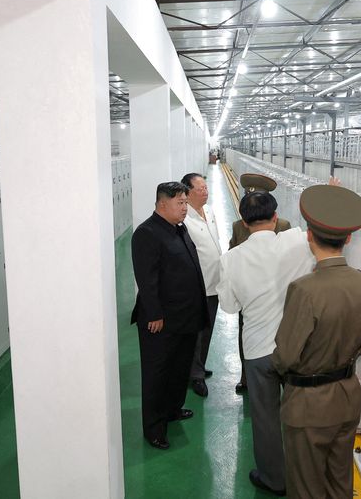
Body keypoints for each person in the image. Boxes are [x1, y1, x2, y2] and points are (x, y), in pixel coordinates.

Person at [272, 184, 361, 499]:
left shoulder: (305, 289)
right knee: (339, 484)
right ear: (348, 238)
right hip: (347, 399)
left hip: (308, 405)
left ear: (308, 235)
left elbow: (286, 356)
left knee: (306, 488)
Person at [217, 190, 315, 496]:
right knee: (302, 414)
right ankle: (307, 476)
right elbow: (323, 234)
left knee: (265, 417)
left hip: (258, 350)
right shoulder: (296, 242)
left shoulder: (232, 259)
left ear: (243, 223)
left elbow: (230, 307)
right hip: (296, 347)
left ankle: (274, 478)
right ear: (276, 218)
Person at [130, 181, 209, 450]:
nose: (185, 208)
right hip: (161, 321)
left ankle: (173, 410)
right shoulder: (147, 233)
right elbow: (146, 279)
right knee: (157, 374)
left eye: (186, 202)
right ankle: (154, 428)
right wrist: (153, 313)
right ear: (162, 204)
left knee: (179, 368)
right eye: (180, 203)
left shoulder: (178, 228)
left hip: (185, 316)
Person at [229, 173, 291, 394]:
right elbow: (232, 250)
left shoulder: (283, 225)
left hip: (275, 290)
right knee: (245, 333)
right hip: (249, 293)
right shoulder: (238, 227)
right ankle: (246, 377)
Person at [181, 173, 222, 398]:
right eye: (200, 188)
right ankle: (194, 375)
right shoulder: (184, 219)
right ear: (187, 192)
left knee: (208, 329)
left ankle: (200, 365)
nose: (205, 191)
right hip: (197, 285)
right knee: (196, 333)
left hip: (215, 282)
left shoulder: (210, 211)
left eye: (206, 187)